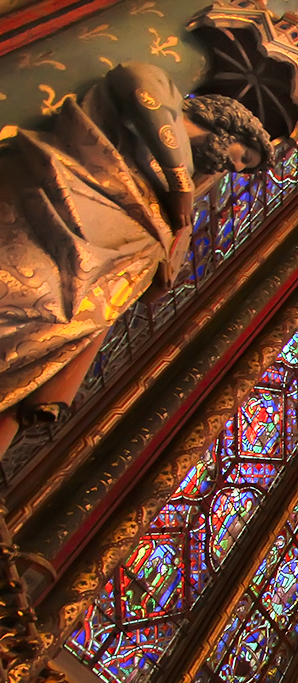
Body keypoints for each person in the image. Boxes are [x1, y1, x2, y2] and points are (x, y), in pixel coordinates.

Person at [0, 62, 274, 457]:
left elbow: (153, 282)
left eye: (242, 168)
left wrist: (162, 267)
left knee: (70, 328)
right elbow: (137, 83)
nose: (233, 167)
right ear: (232, 125)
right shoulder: (170, 99)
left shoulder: (176, 199)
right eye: (243, 156)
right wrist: (180, 184)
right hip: (60, 203)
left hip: (87, 281)